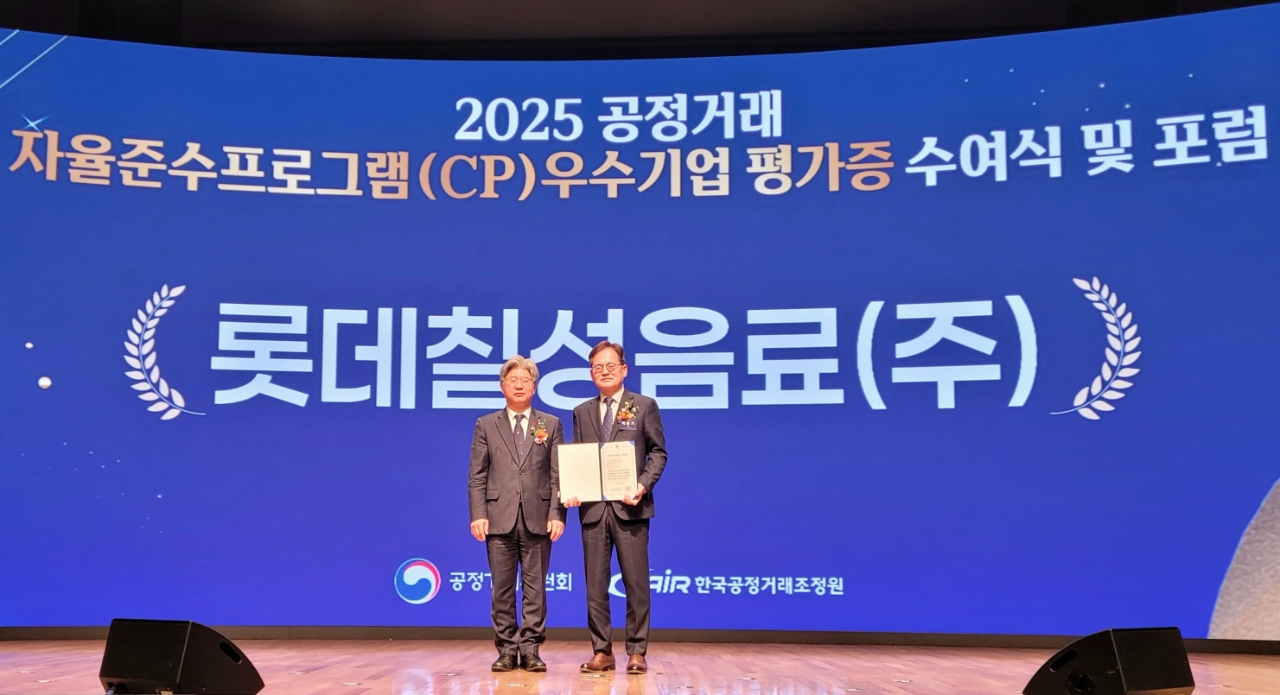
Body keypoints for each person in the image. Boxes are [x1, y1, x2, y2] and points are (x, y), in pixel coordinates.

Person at [564, 341, 668, 674]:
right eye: (598, 367)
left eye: (611, 366)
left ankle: (636, 651)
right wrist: (573, 488)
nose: (604, 372)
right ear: (591, 373)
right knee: (595, 585)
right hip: (593, 510)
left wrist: (642, 485)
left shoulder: (644, 405)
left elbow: (658, 453)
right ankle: (602, 651)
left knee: (635, 583)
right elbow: (579, 457)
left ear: (624, 369)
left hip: (631, 507)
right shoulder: (582, 411)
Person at [467, 355, 565, 672]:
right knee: (502, 589)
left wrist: (557, 513)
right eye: (513, 380)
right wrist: (478, 513)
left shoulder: (550, 423)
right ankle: (507, 649)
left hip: (539, 517)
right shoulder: (486, 424)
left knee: (536, 590)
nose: (519, 385)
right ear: (502, 386)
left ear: (534, 387)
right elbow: (477, 475)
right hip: (498, 517)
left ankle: (531, 649)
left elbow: (558, 474)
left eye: (525, 380)